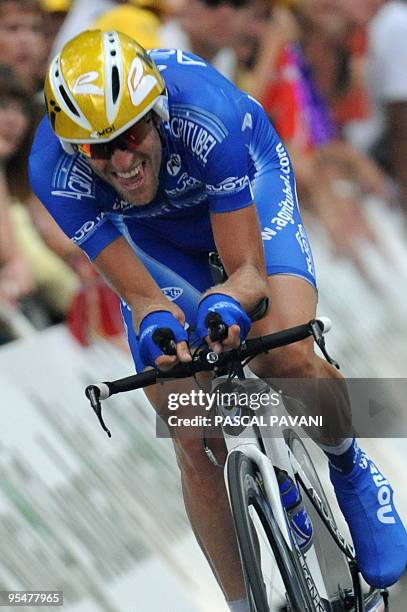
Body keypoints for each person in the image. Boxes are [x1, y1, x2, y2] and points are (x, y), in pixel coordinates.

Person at [29, 30, 407, 610]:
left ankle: (350, 466)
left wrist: (230, 302)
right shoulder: (53, 170)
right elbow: (145, 299)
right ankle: (243, 603)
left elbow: (248, 276)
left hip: (244, 186)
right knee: (187, 424)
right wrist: (160, 327)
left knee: (281, 350)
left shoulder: (206, 114)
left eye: (130, 135)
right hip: (154, 237)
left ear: (155, 114)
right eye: (98, 150)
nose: (122, 161)